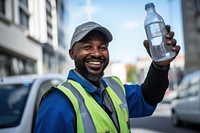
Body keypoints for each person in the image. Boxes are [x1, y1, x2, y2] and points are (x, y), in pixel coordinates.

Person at [34, 21, 180, 133]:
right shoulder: (57, 102)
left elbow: (148, 96)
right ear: (72, 53)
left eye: (102, 47)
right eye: (87, 47)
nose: (97, 53)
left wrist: (160, 66)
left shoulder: (114, 87)